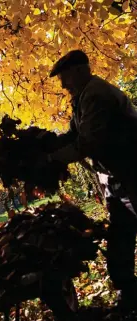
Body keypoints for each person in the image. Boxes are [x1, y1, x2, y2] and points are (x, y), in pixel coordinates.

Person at [42, 50, 137, 313]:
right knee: (121, 237)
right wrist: (44, 145)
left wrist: (50, 161)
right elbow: (74, 135)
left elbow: (87, 142)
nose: (62, 84)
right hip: (116, 178)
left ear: (79, 71)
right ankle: (130, 296)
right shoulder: (83, 97)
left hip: (132, 171)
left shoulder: (96, 95)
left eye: (64, 77)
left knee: (123, 234)